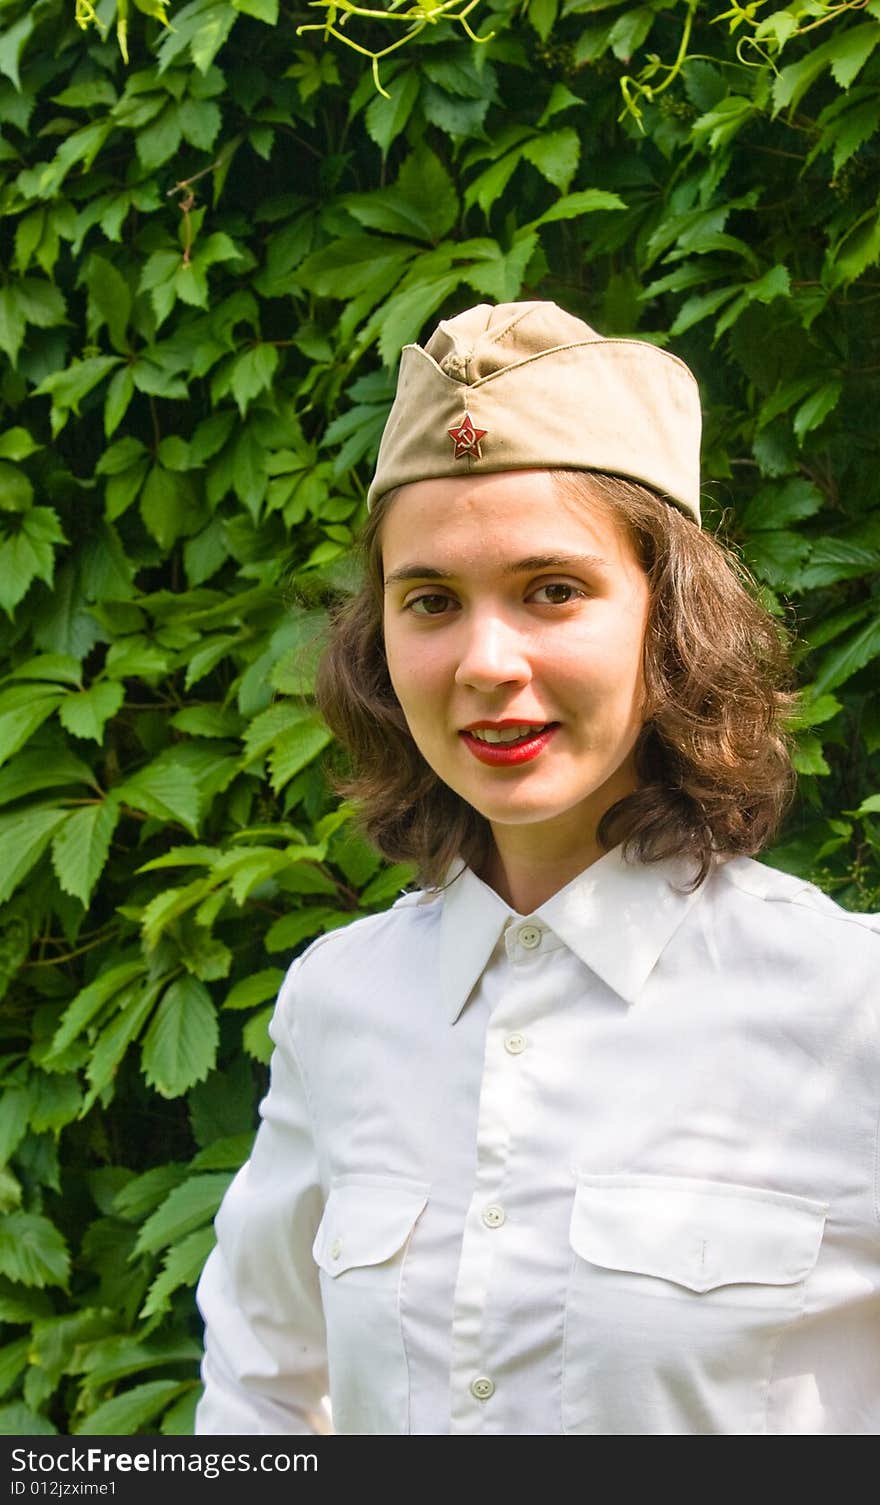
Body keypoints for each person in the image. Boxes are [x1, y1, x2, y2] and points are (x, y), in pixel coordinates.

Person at [194, 301, 880, 1436]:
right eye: (431, 601)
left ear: (671, 618)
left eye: (552, 589)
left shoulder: (851, 1005)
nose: (485, 662)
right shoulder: (338, 1005)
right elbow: (262, 1386)